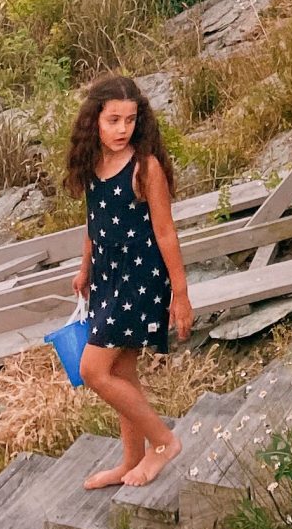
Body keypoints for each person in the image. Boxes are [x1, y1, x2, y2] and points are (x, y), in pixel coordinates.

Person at [63, 74, 194, 488]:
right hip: (106, 276)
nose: (122, 130)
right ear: (94, 122)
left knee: (93, 370)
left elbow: (166, 231)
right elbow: (93, 222)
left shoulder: (145, 166)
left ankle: (163, 442)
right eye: (113, 120)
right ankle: (130, 461)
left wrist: (181, 293)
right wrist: (85, 268)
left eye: (130, 120)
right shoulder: (91, 167)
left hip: (141, 276)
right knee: (122, 372)